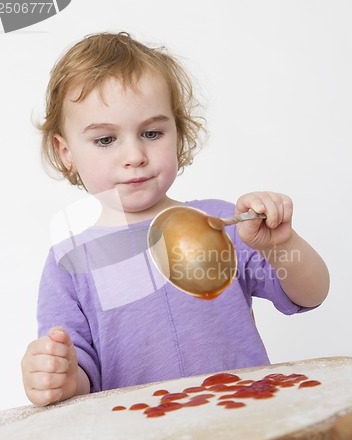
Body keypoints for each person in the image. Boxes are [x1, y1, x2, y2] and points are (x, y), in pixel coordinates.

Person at [21, 32, 330, 406]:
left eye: (151, 133)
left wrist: (282, 245)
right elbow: (79, 376)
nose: (134, 155)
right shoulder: (68, 263)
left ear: (178, 133)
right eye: (105, 140)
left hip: (246, 421)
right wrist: (61, 375)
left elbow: (310, 295)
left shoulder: (223, 223)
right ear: (66, 151)